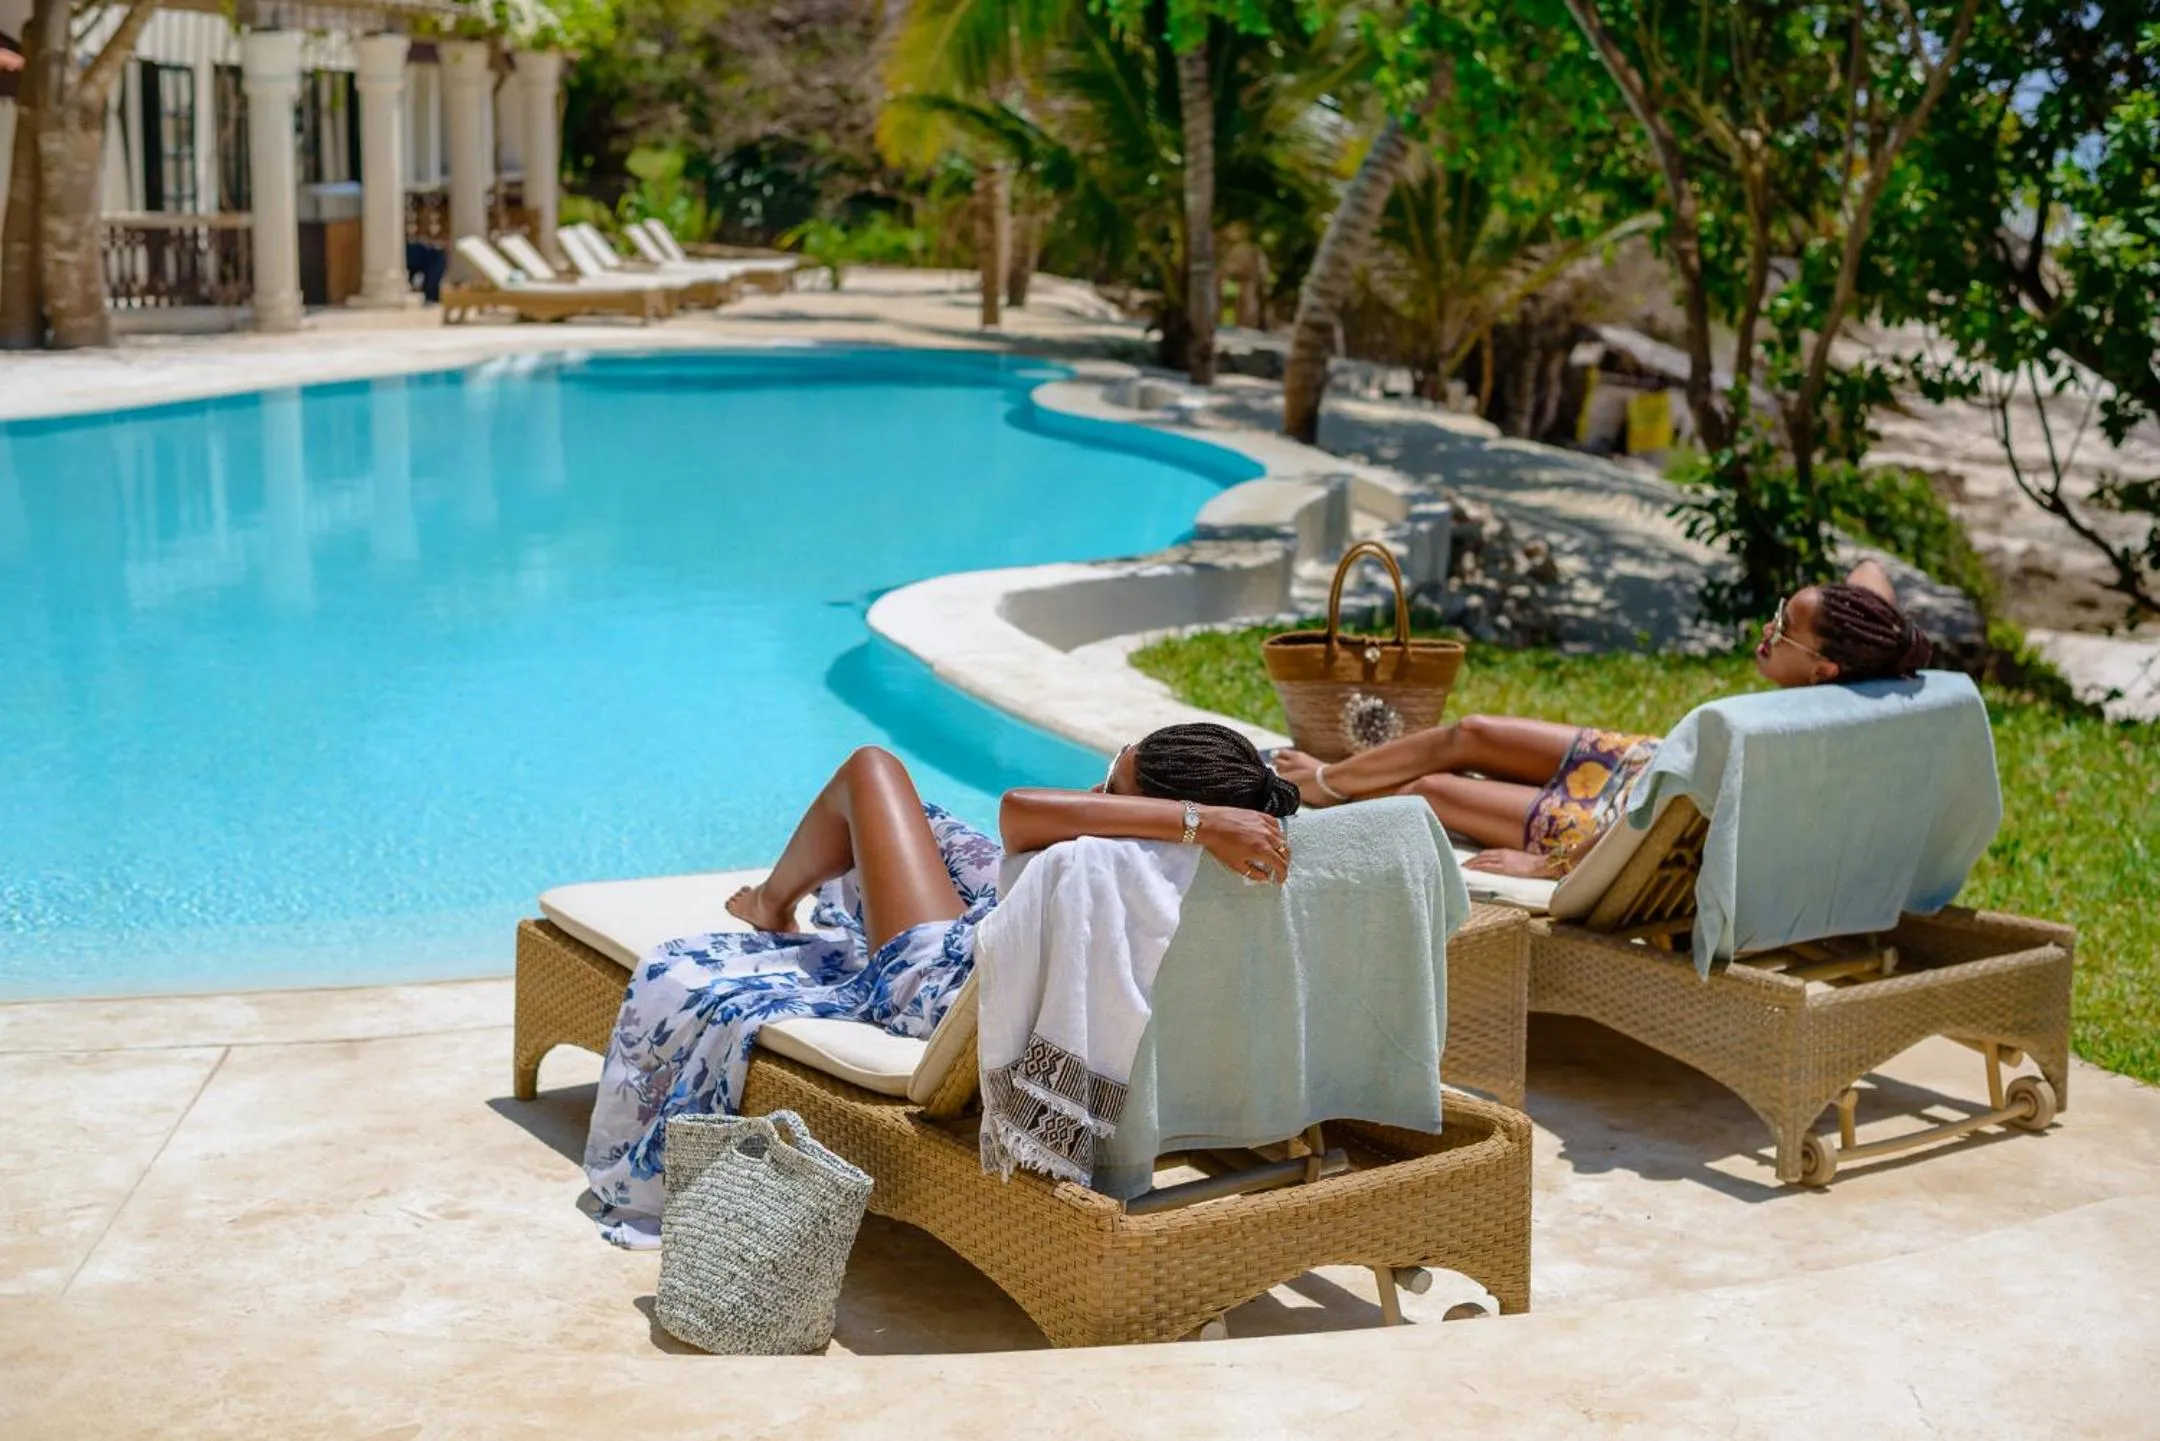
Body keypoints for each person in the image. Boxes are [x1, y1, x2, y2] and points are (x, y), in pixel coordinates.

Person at [582, 722, 1299, 1245]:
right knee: (916, 825)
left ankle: (773, 902)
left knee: (871, 770)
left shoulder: (1135, 846)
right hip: (1019, 927)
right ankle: (787, 896)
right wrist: (1201, 823)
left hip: (934, 977)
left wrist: (1190, 818)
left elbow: (1019, 807)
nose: (1091, 793)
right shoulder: (1193, 877)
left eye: (1109, 788)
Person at [1270, 560, 1934, 882]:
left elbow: (1651, 826)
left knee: (1432, 792)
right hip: (1641, 759)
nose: (1768, 630)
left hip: (1614, 820)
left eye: (1784, 629)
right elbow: (1871, 571)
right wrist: (1885, 642)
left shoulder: (1764, 734)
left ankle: (1328, 792)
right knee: (1469, 731)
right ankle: (1329, 778)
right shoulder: (1841, 690)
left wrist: (1544, 869)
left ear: (1820, 669)